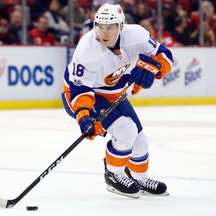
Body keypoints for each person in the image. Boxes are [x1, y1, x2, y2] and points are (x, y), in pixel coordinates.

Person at [61, 3, 173, 198]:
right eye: (100, 26)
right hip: (85, 94)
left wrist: (154, 70)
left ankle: (140, 178)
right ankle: (113, 175)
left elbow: (166, 57)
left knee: (140, 141)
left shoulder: (136, 35)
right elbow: (80, 89)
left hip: (114, 92)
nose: (104, 32)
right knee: (125, 130)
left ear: (121, 26)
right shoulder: (87, 49)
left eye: (110, 27)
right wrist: (85, 117)